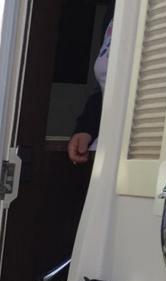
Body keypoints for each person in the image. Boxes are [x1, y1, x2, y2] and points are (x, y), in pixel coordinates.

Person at [67, 3, 113, 165]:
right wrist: (86, 129)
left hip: (137, 151)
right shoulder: (114, 11)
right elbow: (105, 85)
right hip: (104, 148)